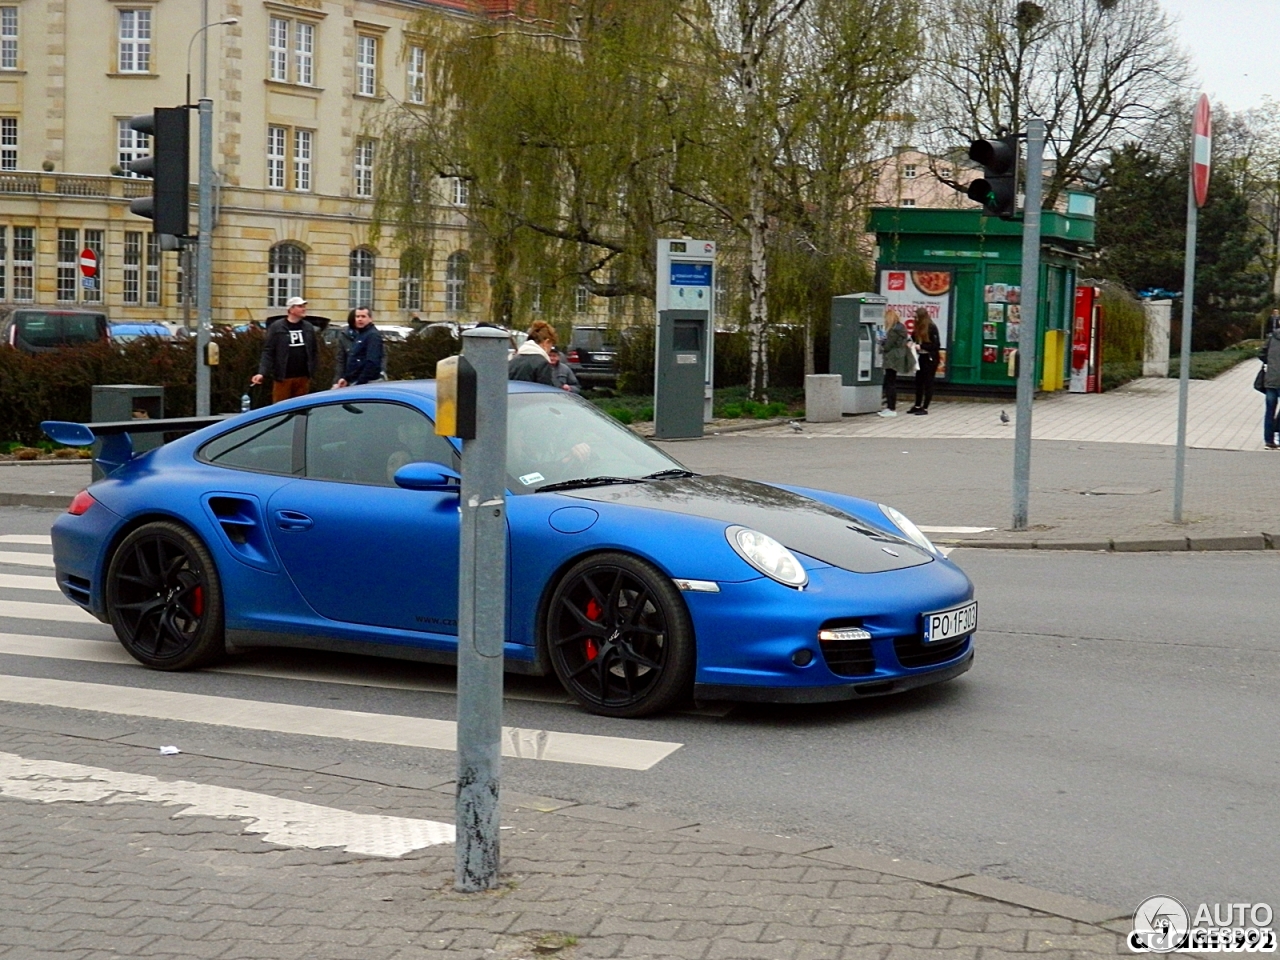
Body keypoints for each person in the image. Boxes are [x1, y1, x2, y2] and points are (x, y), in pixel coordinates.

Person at [251, 297, 318, 403]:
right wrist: (262, 373)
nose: (304, 309)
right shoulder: (277, 327)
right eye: (300, 306)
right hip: (283, 378)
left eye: (304, 306)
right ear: (291, 309)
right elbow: (268, 351)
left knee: (301, 409)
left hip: (303, 377)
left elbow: (313, 351)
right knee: (281, 407)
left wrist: (312, 370)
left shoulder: (308, 327)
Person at [878, 310, 916, 417]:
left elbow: (887, 346)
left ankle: (891, 408)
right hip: (897, 356)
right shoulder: (901, 327)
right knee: (890, 381)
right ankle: (889, 407)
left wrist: (881, 342)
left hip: (892, 357)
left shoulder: (893, 330)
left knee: (890, 383)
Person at [335, 306, 385, 387]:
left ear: (370, 319)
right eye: (357, 316)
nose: (360, 319)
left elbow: (372, 362)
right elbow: (354, 360)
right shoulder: (361, 334)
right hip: (356, 381)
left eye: (363, 316)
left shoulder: (373, 335)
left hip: (368, 383)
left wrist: (360, 382)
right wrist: (346, 378)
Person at [907, 307, 941, 415]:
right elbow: (912, 338)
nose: (915, 319)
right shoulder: (918, 328)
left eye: (916, 317)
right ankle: (917, 405)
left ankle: (925, 407)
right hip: (921, 357)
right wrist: (910, 343)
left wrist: (921, 346)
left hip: (930, 358)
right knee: (918, 382)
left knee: (928, 382)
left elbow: (936, 345)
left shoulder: (931, 327)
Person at [508, 320, 557, 385]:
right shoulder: (542, 364)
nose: (550, 349)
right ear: (546, 342)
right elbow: (546, 390)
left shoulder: (513, 360)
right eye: (551, 345)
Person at [1259, 324, 1280, 448]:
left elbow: (1261, 354)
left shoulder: (1272, 337)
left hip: (1270, 379)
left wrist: (1271, 364)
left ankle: (1269, 441)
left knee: (1269, 411)